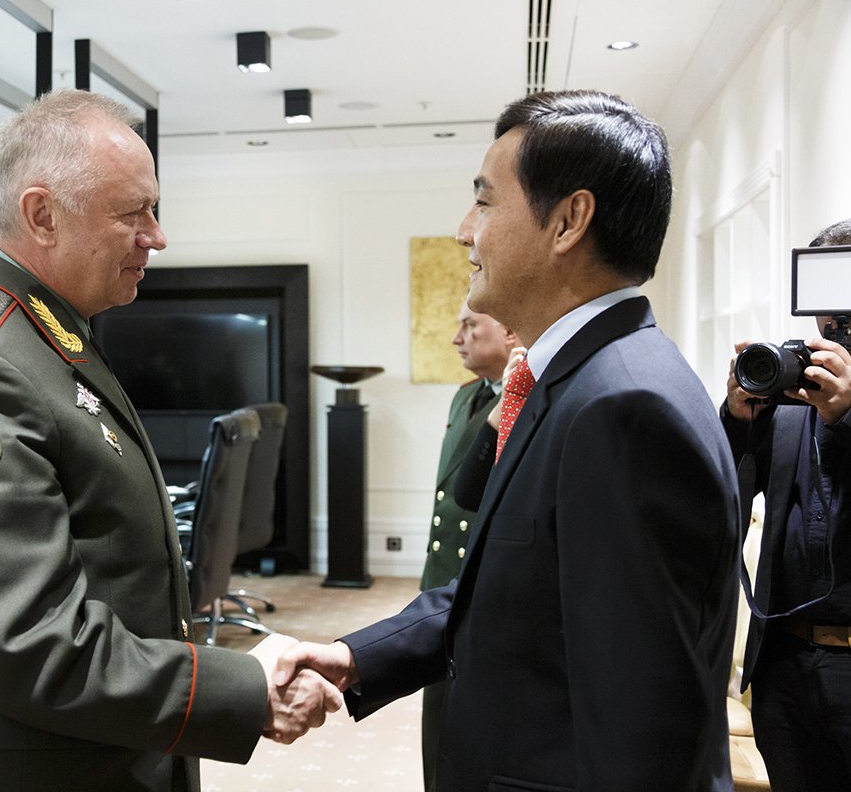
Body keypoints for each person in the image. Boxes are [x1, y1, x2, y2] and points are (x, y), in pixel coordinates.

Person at [0, 89, 339, 792]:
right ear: (42, 215)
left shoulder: (47, 334)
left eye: (154, 209)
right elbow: (32, 644)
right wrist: (240, 689)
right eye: (132, 212)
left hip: (111, 751)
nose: (157, 236)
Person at [276, 89, 742, 791]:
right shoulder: (580, 381)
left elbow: (641, 730)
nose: (465, 231)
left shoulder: (623, 408)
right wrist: (357, 656)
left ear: (568, 222)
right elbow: (516, 594)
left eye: (485, 202)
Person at [722, 218, 851, 792]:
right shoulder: (793, 384)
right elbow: (723, 491)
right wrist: (737, 419)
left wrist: (847, 417)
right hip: (786, 666)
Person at [417, 301, 517, 790]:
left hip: (486, 584)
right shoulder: (466, 398)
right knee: (436, 717)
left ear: (510, 331)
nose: (458, 338)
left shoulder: (529, 401)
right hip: (442, 583)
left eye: (470, 325)